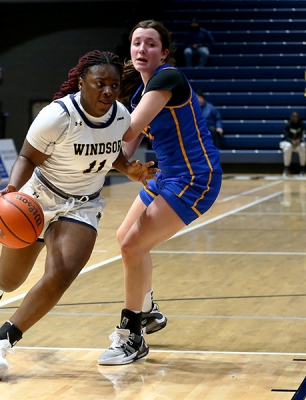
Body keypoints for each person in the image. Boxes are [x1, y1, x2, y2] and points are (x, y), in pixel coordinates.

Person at [0, 50, 159, 380]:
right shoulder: (56, 116)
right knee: (11, 279)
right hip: (37, 199)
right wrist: (13, 188)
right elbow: (27, 157)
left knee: (63, 271)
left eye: (114, 85)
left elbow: (110, 150)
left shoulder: (120, 116)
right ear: (82, 82)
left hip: (81, 204)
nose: (108, 92)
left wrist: (129, 169)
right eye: (100, 84)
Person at [97, 19, 223, 366]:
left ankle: (132, 335)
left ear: (163, 52)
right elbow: (122, 153)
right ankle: (148, 310)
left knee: (132, 245)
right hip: (166, 176)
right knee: (126, 238)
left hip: (195, 178)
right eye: (137, 43)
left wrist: (84, 122)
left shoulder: (168, 78)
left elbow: (129, 131)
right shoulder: (138, 94)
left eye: (150, 44)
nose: (142, 49)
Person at [280, 111, 306, 177]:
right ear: (291, 117)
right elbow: (285, 136)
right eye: (294, 117)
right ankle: (286, 168)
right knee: (288, 147)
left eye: (296, 117)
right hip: (286, 142)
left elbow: (303, 135)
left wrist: (299, 140)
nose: (295, 118)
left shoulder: (302, 125)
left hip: (298, 144)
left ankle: (302, 168)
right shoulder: (287, 125)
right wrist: (292, 141)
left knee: (303, 146)